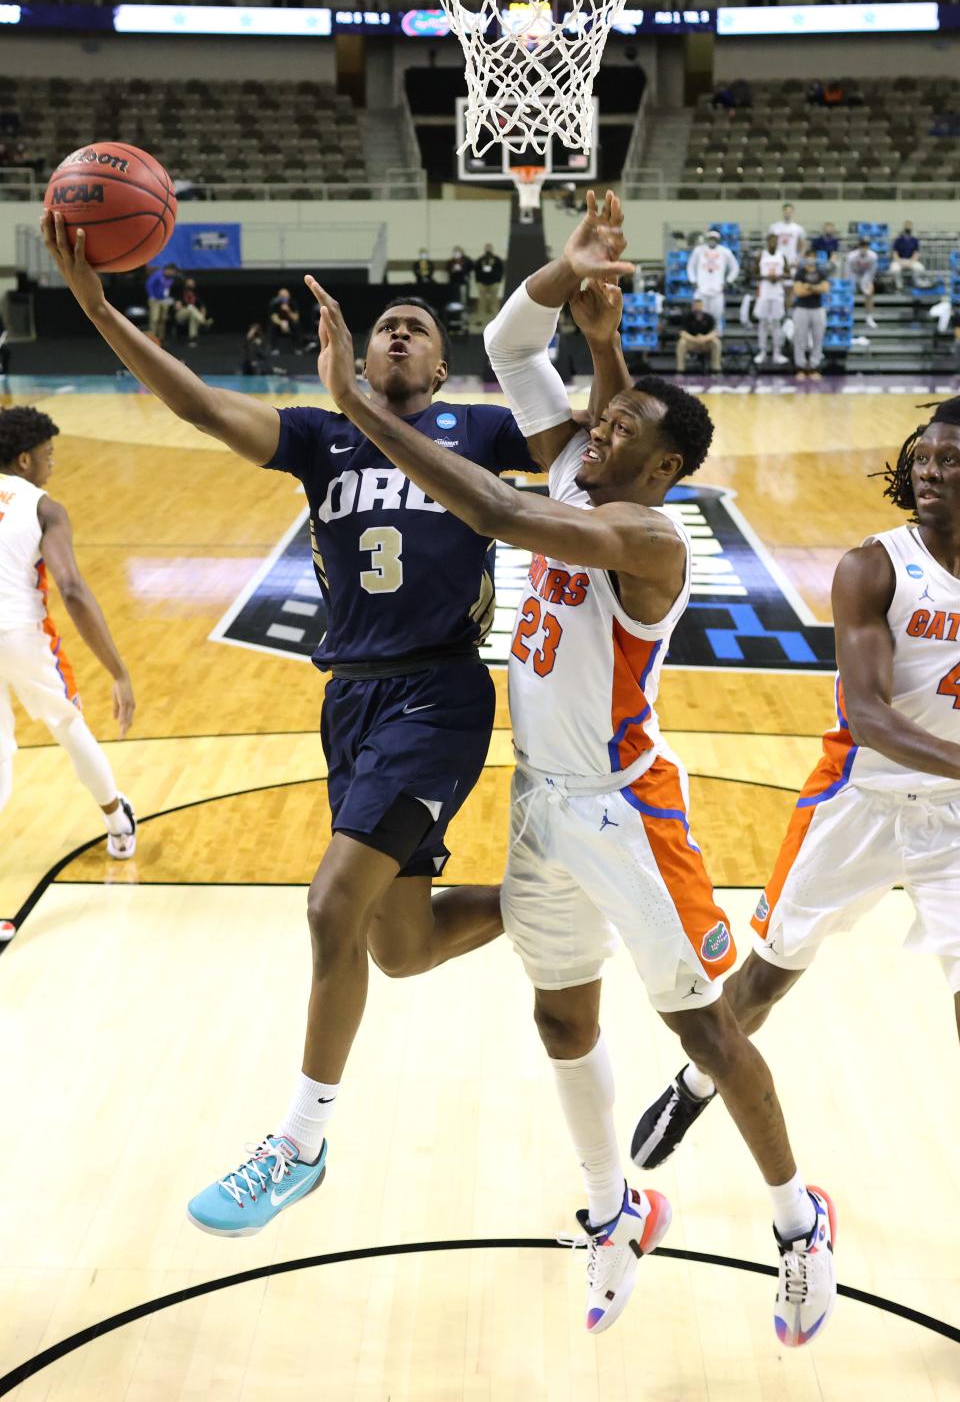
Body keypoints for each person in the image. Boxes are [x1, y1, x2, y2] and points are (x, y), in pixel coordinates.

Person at [40, 200, 630, 1237]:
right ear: (357, 354)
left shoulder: (482, 431)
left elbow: (602, 461)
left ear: (442, 372)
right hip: (348, 702)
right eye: (383, 324)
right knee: (399, 948)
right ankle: (576, 891)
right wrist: (95, 303)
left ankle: (299, 1143)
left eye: (420, 328)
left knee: (327, 910)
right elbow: (197, 406)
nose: (398, 330)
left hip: (438, 695)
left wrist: (597, 338)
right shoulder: (318, 436)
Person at [306, 200, 838, 1350]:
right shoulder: (585, 479)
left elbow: (491, 503)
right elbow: (507, 349)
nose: (591, 435)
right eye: (597, 424)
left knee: (703, 1033)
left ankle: (800, 1223)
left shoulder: (642, 535)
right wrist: (580, 300)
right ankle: (613, 1206)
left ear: (667, 463)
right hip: (544, 802)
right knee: (559, 1018)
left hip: (631, 812)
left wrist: (355, 403)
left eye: (618, 430)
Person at [631, 396, 960, 1176]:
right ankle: (696, 1081)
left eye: (950, 461)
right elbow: (873, 717)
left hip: (952, 815)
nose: (931, 472)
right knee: (766, 978)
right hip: (858, 802)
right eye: (924, 459)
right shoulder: (874, 566)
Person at [0, 407, 137, 873]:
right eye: (48, 455)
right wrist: (117, 671)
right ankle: (118, 824)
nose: (52, 464)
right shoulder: (43, 506)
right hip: (21, 634)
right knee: (67, 724)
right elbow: (72, 589)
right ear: (23, 461)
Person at [685, 230, 739, 333]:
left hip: (717, 291)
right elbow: (690, 266)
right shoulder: (698, 251)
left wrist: (728, 281)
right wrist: (693, 280)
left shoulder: (725, 252)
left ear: (718, 240)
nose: (712, 241)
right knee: (698, 318)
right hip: (701, 290)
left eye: (714, 239)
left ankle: (717, 341)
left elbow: (735, 267)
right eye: (710, 238)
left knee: (717, 318)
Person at [791, 251, 829, 377]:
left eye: (813, 257)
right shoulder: (800, 272)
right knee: (800, 338)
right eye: (808, 257)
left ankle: (814, 366)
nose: (810, 260)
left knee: (818, 338)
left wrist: (808, 287)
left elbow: (825, 288)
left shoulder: (821, 272)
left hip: (817, 308)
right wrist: (816, 288)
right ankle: (800, 367)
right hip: (801, 308)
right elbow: (798, 291)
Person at [755, 234, 788, 366]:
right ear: (767, 242)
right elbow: (752, 273)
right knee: (763, 323)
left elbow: (788, 273)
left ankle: (777, 352)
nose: (773, 243)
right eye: (771, 241)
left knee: (776, 323)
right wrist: (766, 276)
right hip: (764, 291)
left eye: (775, 241)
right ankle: (762, 351)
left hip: (777, 292)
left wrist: (778, 276)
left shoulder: (782, 256)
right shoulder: (761, 255)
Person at [675, 296, 721, 374]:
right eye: (696, 306)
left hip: (706, 343)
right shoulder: (687, 317)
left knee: (716, 342)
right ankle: (680, 370)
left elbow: (714, 332)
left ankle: (716, 369)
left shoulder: (709, 317)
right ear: (693, 307)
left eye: (699, 306)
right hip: (692, 342)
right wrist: (694, 339)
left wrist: (704, 338)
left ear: (703, 306)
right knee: (681, 343)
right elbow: (682, 333)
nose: (697, 308)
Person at [845, 237, 878, 328]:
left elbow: (872, 271)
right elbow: (847, 271)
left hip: (866, 275)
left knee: (870, 292)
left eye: (866, 245)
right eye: (862, 245)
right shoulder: (851, 256)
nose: (864, 247)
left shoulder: (873, 256)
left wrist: (869, 283)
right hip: (853, 274)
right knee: (848, 292)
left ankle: (869, 317)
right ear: (859, 246)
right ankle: (847, 314)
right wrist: (848, 284)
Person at [174, 277, 213, 345]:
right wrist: (185, 307)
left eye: (192, 283)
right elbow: (177, 307)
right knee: (192, 309)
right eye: (188, 283)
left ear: (194, 285)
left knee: (193, 315)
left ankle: (192, 339)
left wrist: (202, 314)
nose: (190, 284)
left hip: (193, 315)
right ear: (185, 284)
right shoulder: (180, 292)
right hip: (181, 314)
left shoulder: (196, 294)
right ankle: (203, 322)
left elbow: (203, 307)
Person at [474, 243, 505, 329]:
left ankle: (497, 319)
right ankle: (480, 319)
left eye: (489, 248)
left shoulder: (496, 259)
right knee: (481, 302)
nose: (488, 250)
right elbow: (476, 271)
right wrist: (478, 282)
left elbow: (501, 270)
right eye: (487, 248)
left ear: (492, 249)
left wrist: (498, 281)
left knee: (494, 302)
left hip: (494, 283)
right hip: (482, 284)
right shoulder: (481, 260)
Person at [769, 203, 805, 271]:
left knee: (791, 280)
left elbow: (803, 246)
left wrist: (798, 259)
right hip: (777, 258)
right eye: (786, 211)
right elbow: (769, 245)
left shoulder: (798, 228)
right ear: (783, 212)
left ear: (793, 212)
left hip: (792, 259)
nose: (788, 213)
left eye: (790, 212)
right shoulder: (774, 227)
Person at [145, 263, 176, 343]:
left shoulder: (171, 279)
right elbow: (149, 284)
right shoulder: (157, 275)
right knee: (155, 319)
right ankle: (152, 338)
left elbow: (167, 289)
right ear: (168, 270)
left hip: (164, 300)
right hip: (155, 300)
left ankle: (161, 338)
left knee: (163, 319)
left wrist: (167, 299)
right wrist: (151, 296)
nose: (173, 273)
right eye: (172, 272)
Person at [889, 222, 924, 292]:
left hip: (911, 260)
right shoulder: (898, 240)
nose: (908, 229)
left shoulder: (915, 240)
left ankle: (915, 282)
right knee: (894, 269)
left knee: (920, 268)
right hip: (899, 260)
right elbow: (895, 253)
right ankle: (899, 285)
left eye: (909, 227)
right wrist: (900, 261)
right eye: (907, 227)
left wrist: (911, 262)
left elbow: (916, 253)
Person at [267, 287, 301, 354]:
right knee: (272, 326)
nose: (284, 296)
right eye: (282, 295)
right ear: (278, 296)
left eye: (285, 294)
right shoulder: (274, 303)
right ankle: (274, 348)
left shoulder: (293, 303)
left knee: (297, 325)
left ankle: (297, 348)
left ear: (289, 295)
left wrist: (288, 310)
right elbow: (274, 318)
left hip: (290, 324)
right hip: (279, 324)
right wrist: (282, 323)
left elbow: (296, 318)